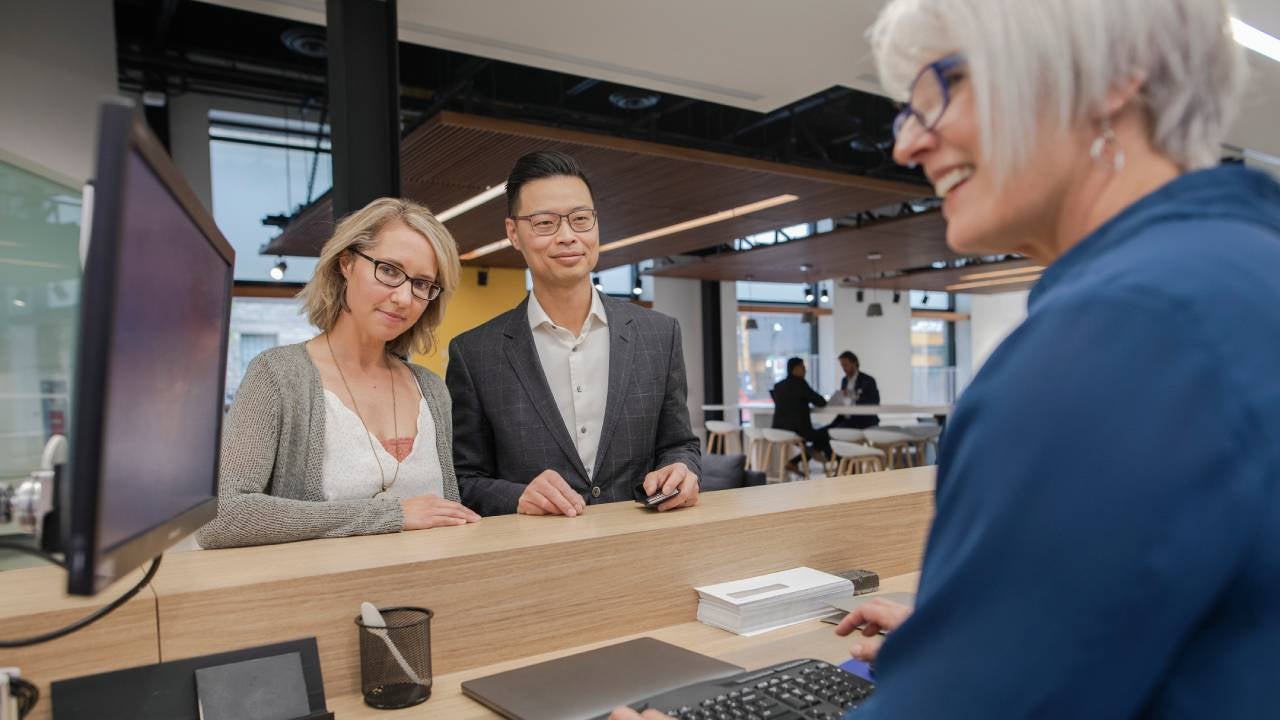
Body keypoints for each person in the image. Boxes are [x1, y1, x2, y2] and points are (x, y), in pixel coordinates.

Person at [613, 0, 1279, 717]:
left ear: (1111, 78)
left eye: (940, 94)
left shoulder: (1118, 331)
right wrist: (974, 642)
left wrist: (956, 679)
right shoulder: (1241, 274)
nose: (908, 146)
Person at [198, 198, 480, 549]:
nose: (404, 298)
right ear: (346, 263)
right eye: (390, 270)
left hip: (432, 594)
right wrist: (391, 516)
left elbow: (450, 513)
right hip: (325, 599)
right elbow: (222, 516)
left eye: (422, 284)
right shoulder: (277, 376)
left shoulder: (432, 390)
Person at [447, 150, 701, 517]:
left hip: (644, 549)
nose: (567, 236)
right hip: (535, 560)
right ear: (513, 233)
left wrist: (682, 469)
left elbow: (680, 444)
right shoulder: (475, 354)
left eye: (580, 219)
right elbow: (463, 479)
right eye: (545, 223)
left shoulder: (659, 335)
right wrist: (515, 496)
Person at [770, 357, 832, 463]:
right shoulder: (800, 384)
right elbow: (821, 402)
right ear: (795, 369)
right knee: (827, 434)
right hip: (799, 431)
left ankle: (796, 461)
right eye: (803, 367)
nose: (805, 370)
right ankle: (834, 463)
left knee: (820, 436)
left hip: (777, 429)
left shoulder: (778, 386)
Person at [829, 350, 880, 429]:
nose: (843, 368)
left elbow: (874, 401)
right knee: (823, 432)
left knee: (828, 433)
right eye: (842, 365)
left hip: (862, 420)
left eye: (845, 365)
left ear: (854, 363)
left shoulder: (867, 380)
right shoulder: (844, 380)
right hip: (845, 418)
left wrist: (852, 395)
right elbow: (844, 400)